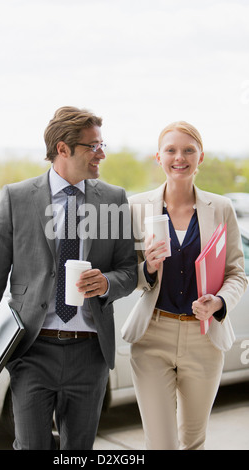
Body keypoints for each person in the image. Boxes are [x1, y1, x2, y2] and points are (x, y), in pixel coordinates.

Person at [0, 106, 138, 450]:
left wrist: (106, 283)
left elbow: (129, 271)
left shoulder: (114, 199)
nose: (101, 154)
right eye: (93, 146)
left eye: (102, 145)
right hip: (32, 349)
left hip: (90, 353)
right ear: (63, 148)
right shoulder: (17, 198)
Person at [121, 121, 248, 450]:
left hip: (204, 339)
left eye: (189, 150)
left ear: (200, 157)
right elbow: (123, 274)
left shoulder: (221, 208)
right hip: (152, 337)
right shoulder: (135, 207)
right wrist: (147, 268)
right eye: (171, 150)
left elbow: (237, 273)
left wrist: (218, 302)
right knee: (160, 443)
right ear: (158, 157)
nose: (180, 157)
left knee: (193, 441)